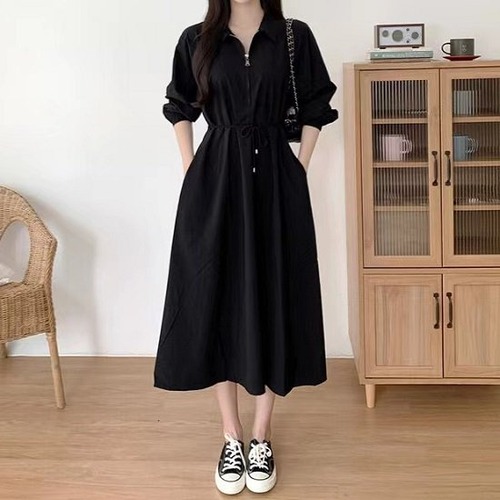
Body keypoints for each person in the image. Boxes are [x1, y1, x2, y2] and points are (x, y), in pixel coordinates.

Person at [153, 0, 338, 494]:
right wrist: (191, 167)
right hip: (215, 181)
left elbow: (317, 103)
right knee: (218, 295)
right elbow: (180, 104)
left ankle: (261, 435)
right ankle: (231, 435)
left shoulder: (293, 35)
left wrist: (300, 165)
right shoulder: (197, 38)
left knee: (272, 293)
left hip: (277, 181)